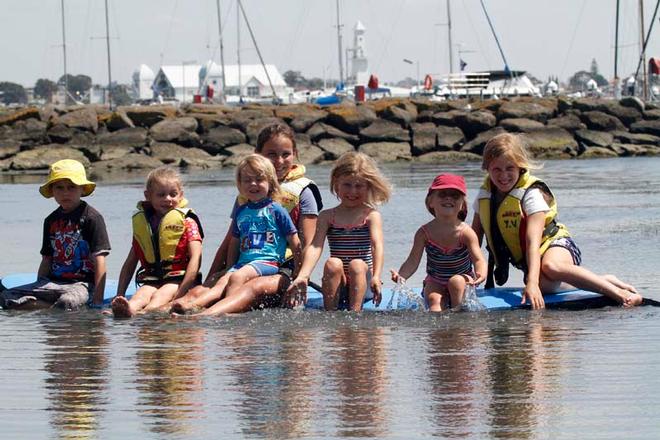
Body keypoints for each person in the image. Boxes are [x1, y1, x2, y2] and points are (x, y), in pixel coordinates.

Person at [472, 133, 642, 309]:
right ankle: (602, 280)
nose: (503, 175)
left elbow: (532, 242)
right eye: (496, 170)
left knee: (551, 266)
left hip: (557, 245)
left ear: (520, 166)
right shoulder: (484, 196)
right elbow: (473, 239)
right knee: (543, 285)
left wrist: (531, 282)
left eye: (510, 168)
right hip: (533, 259)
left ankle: (622, 295)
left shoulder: (531, 195)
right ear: (487, 168)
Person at [170, 122, 322, 314]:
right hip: (246, 263)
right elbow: (230, 242)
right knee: (202, 290)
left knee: (252, 287)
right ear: (257, 154)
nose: (279, 161)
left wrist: (302, 279)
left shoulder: (304, 191)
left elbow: (307, 244)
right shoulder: (247, 195)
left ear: (295, 154)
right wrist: (211, 277)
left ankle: (206, 316)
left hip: (284, 269)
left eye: (286, 154)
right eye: (271, 154)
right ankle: (160, 312)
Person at [186, 154, 302, 317]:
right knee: (222, 281)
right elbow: (234, 243)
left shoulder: (276, 210)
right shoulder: (241, 211)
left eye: (259, 179)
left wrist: (298, 271)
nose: (253, 184)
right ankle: (192, 306)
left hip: (266, 262)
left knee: (237, 277)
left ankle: (218, 313)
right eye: (247, 180)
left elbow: (294, 240)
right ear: (239, 184)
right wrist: (229, 268)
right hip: (243, 263)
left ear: (270, 182)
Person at [287, 152, 391, 311]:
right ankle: (330, 313)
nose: (353, 191)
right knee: (332, 263)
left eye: (359, 186)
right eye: (347, 185)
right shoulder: (327, 216)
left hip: (365, 281)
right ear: (336, 184)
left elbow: (377, 246)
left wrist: (376, 276)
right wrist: (303, 275)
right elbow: (315, 246)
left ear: (368, 186)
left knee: (357, 264)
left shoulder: (370, 216)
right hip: (339, 282)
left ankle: (355, 315)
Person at [0, 159, 110, 310]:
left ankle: (43, 307)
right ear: (52, 191)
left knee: (67, 301)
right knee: (5, 295)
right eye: (59, 187)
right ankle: (49, 307)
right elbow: (47, 258)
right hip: (52, 283)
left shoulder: (92, 218)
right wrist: (39, 285)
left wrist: (98, 300)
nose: (65, 193)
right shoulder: (50, 220)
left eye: (71, 187)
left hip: (81, 285)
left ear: (82, 189)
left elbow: (100, 260)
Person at [111, 166, 203, 317]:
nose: (168, 199)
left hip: (178, 281)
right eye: (161, 195)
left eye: (173, 194)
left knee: (160, 296)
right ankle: (128, 309)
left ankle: (142, 313)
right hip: (153, 279)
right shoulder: (144, 225)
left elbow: (196, 258)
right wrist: (118, 295)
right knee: (140, 295)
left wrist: (182, 293)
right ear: (148, 196)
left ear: (181, 195)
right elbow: (130, 264)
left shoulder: (187, 222)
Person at [390, 174, 487, 311]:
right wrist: (401, 276)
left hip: (463, 279)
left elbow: (479, 259)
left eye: (455, 195)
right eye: (442, 194)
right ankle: (438, 331)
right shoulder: (424, 233)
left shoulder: (466, 233)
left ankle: (459, 322)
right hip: (436, 280)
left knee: (456, 282)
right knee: (434, 300)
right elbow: (412, 261)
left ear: (462, 205)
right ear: (431, 202)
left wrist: (481, 273)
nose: (448, 198)